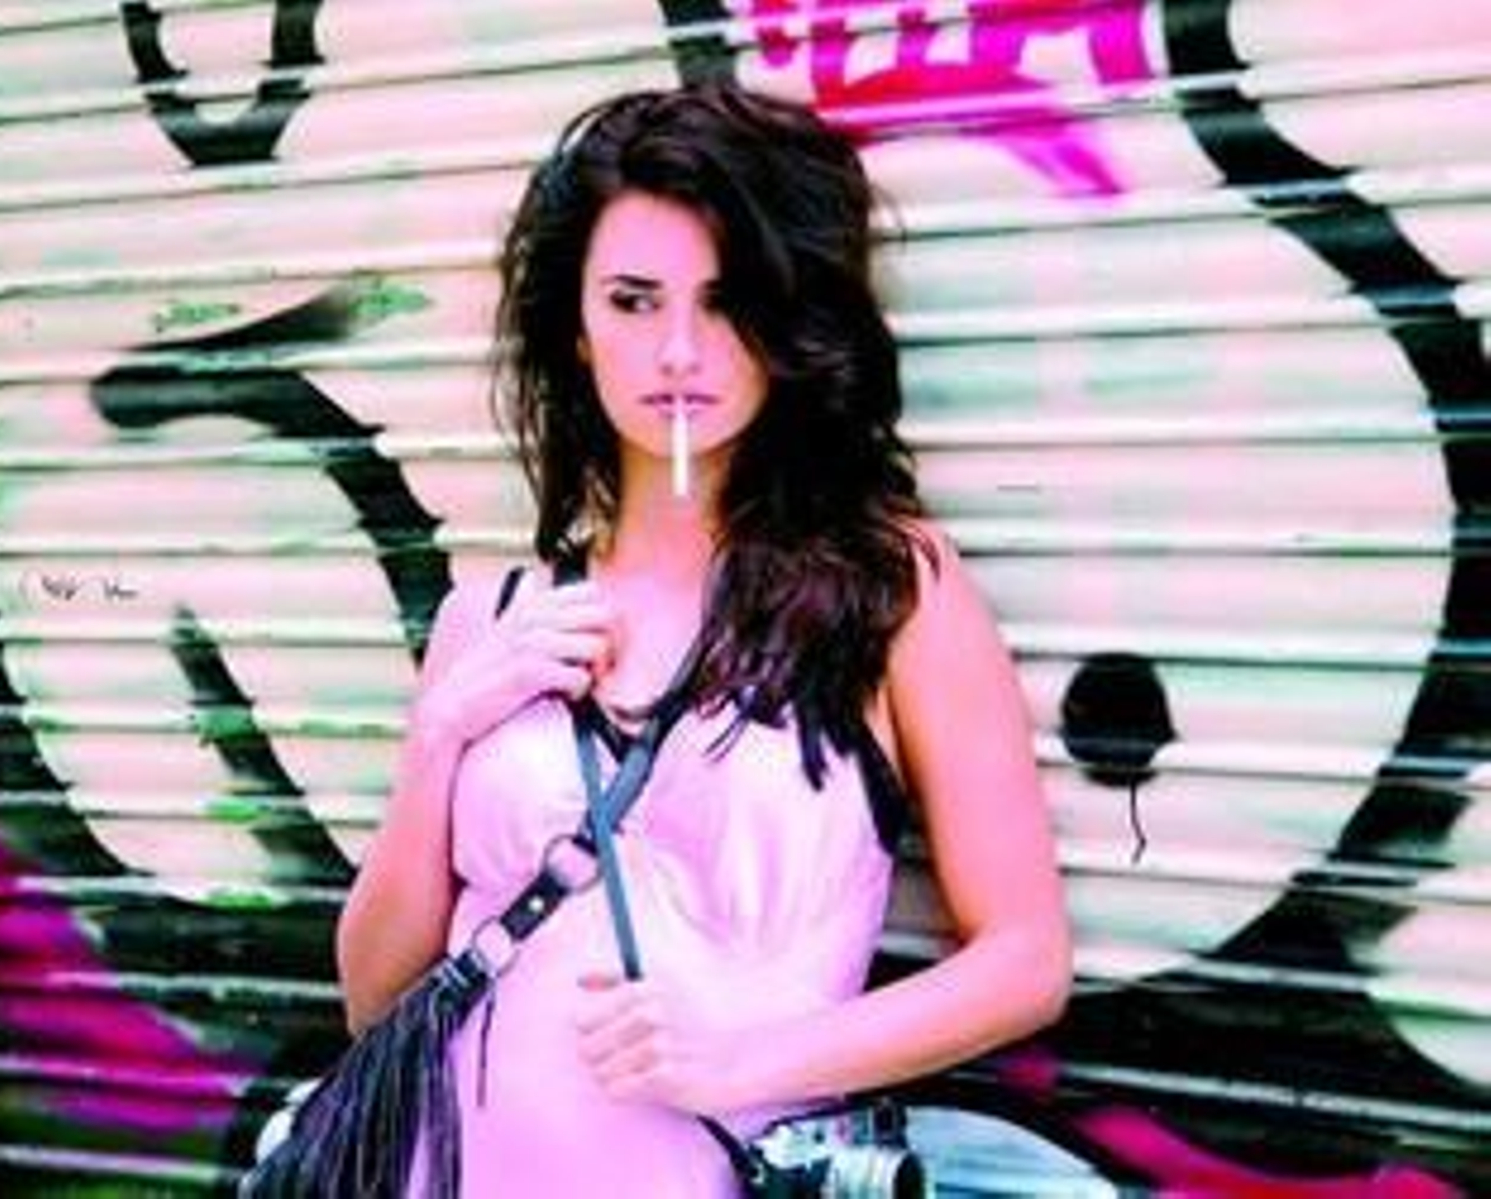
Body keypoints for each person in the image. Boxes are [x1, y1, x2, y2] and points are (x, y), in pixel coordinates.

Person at [335, 80, 1072, 1198]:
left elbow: (1024, 958)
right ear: (576, 329)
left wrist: (740, 1058)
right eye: (633, 301)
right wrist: (442, 732)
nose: (678, 350)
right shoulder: (488, 620)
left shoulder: (888, 589)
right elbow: (372, 999)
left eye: (726, 303)